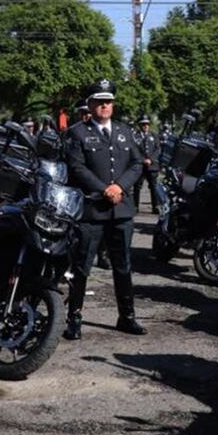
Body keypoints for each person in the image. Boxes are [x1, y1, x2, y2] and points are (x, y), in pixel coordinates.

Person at [63, 79, 145, 340]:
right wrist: (103, 189)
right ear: (90, 104)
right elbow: (76, 167)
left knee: (123, 266)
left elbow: (136, 163)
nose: (105, 106)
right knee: (82, 266)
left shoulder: (125, 131)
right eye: (99, 101)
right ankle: (74, 318)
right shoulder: (77, 133)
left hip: (121, 210)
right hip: (92, 210)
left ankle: (127, 317)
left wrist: (119, 186)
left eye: (108, 101)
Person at [132, 115, 164, 213]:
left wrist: (151, 159)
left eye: (147, 124)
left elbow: (158, 149)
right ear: (139, 125)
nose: (145, 126)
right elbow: (133, 150)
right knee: (137, 186)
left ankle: (155, 206)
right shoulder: (135, 136)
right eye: (143, 124)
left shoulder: (154, 136)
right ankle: (135, 206)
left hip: (152, 165)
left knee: (153, 186)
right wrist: (142, 160)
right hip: (140, 165)